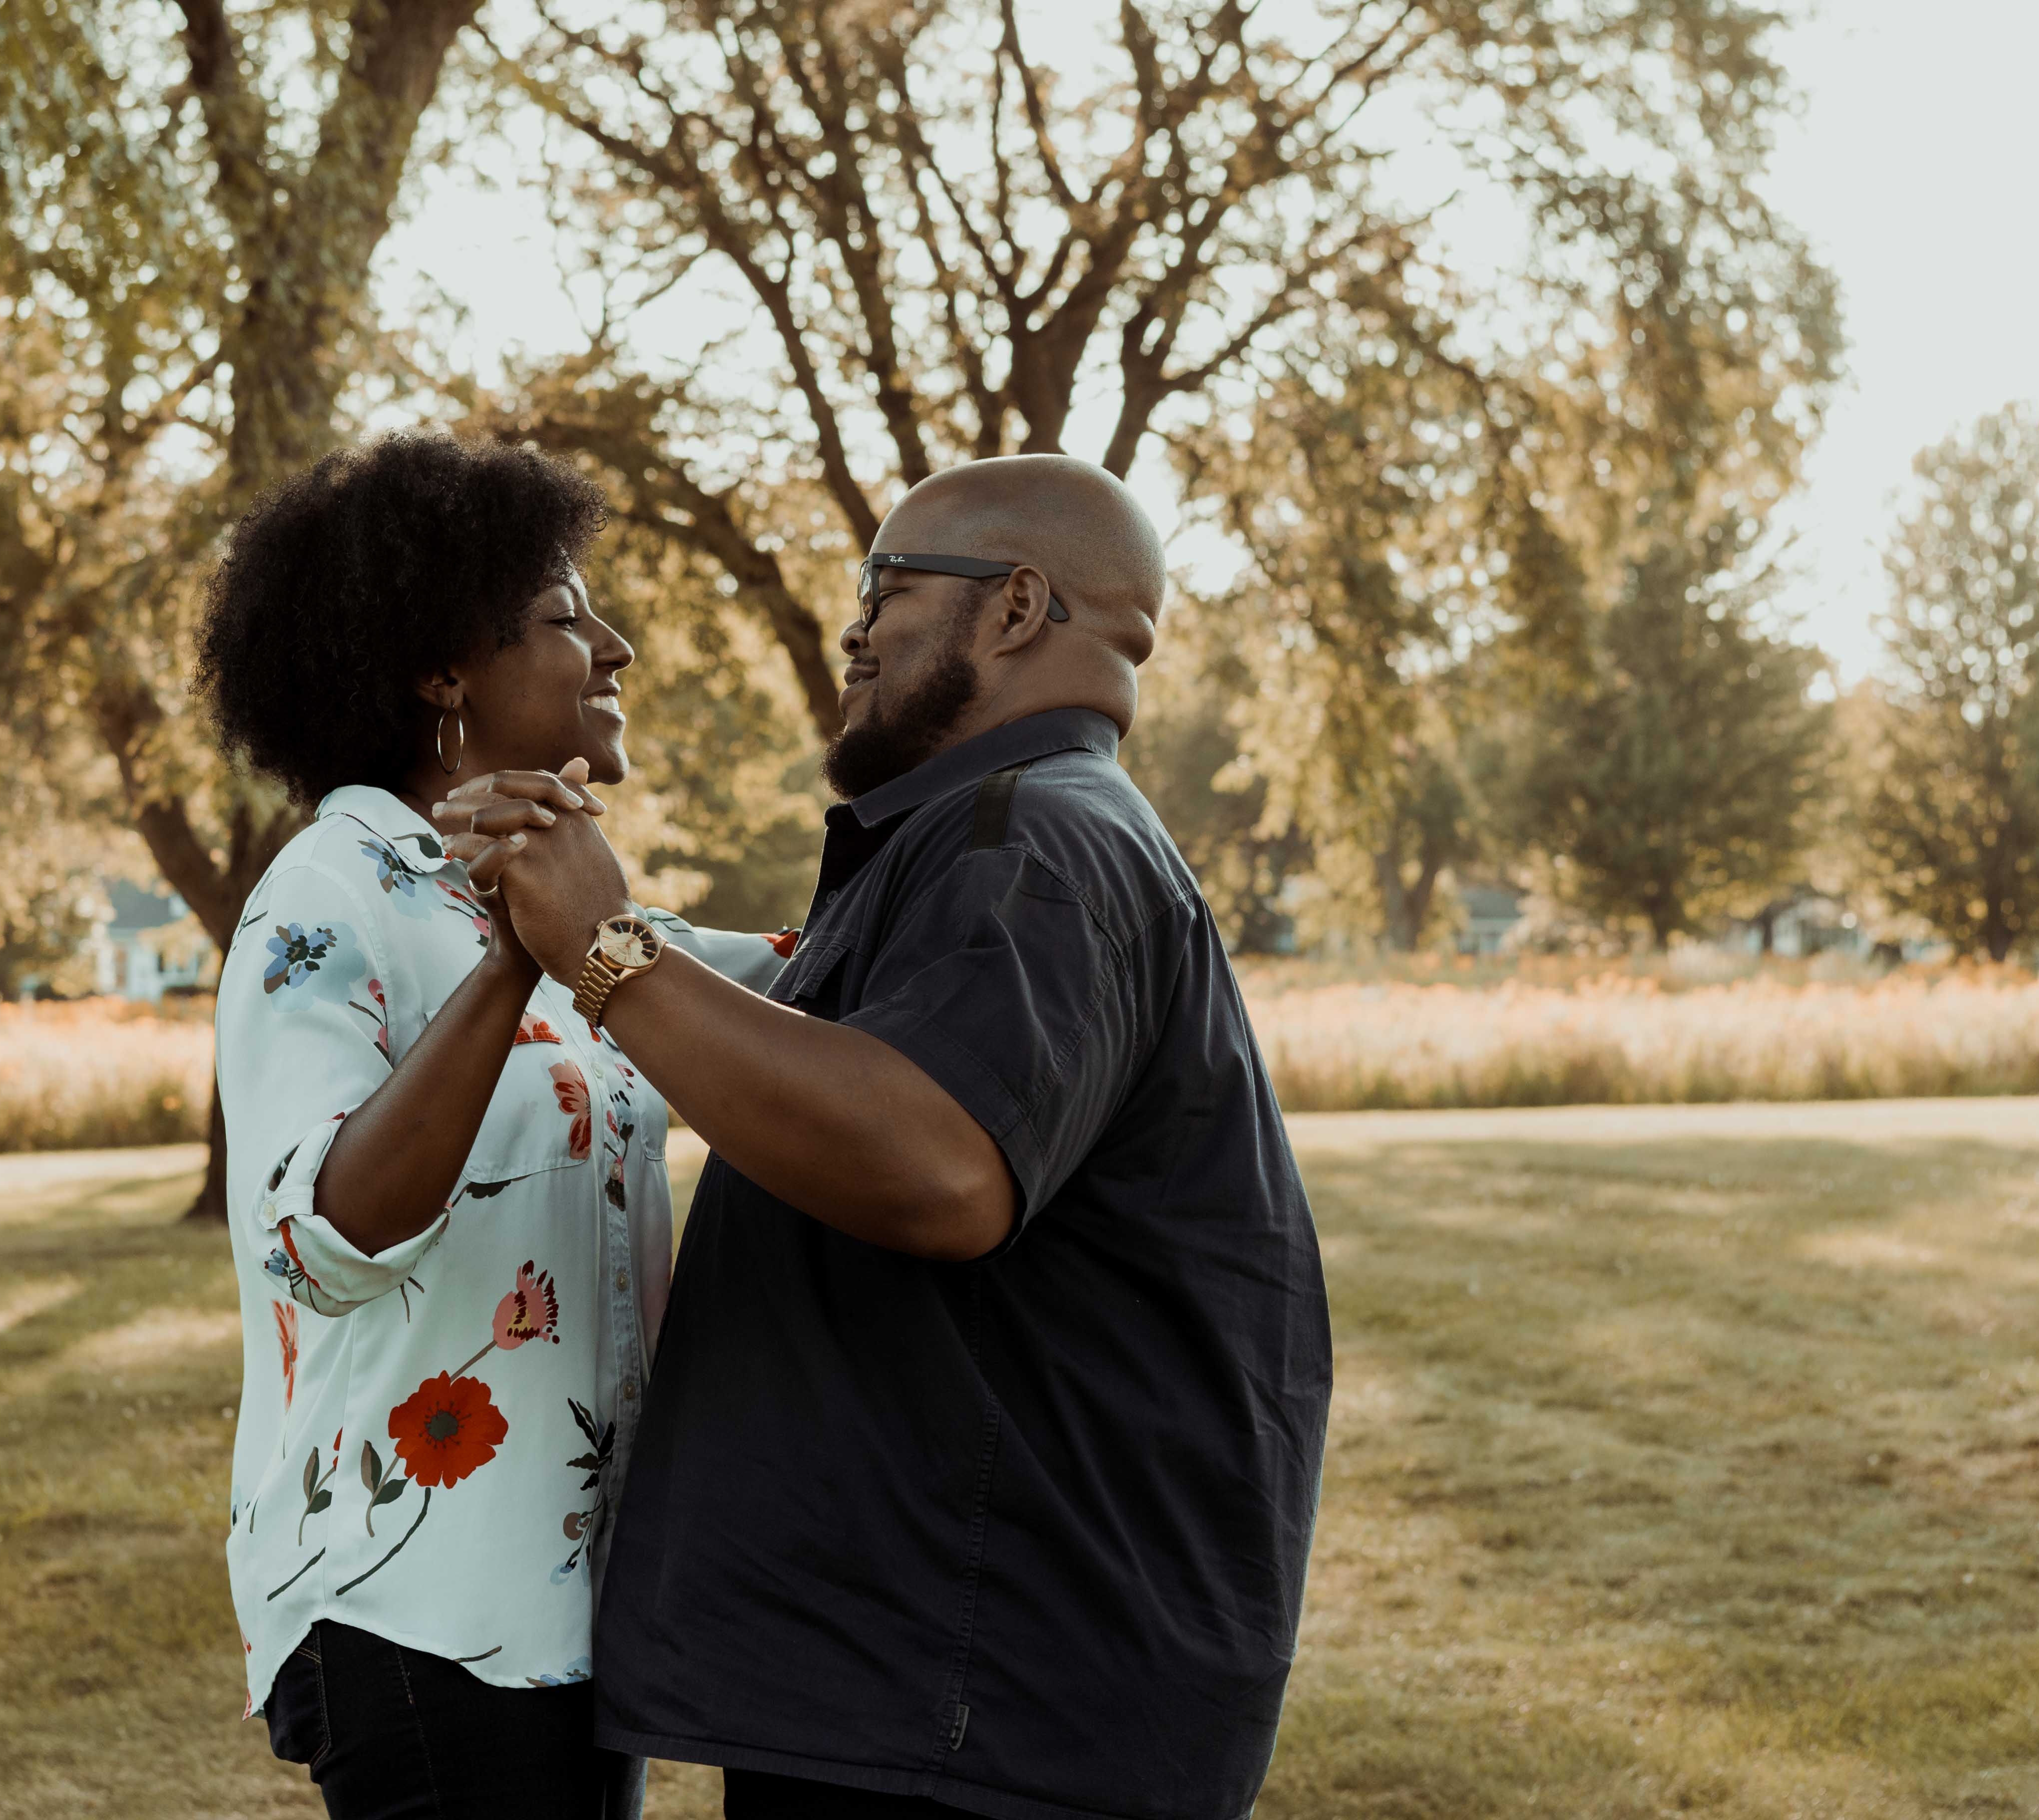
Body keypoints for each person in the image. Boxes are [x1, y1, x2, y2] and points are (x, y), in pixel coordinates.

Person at [439, 455, 1333, 1820]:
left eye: (888, 586)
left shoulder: (1033, 842)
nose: (855, 627)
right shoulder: (985, 839)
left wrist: (610, 955)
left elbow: (939, 1167)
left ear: (1019, 608)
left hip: (982, 1706)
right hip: (936, 1688)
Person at [195, 433, 790, 1820]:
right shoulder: (328, 898)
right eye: (567, 618)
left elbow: (786, 973)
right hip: (417, 1610)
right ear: (441, 672)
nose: (617, 646)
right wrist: (521, 962)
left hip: (585, 1602)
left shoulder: (574, 913)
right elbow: (321, 1237)